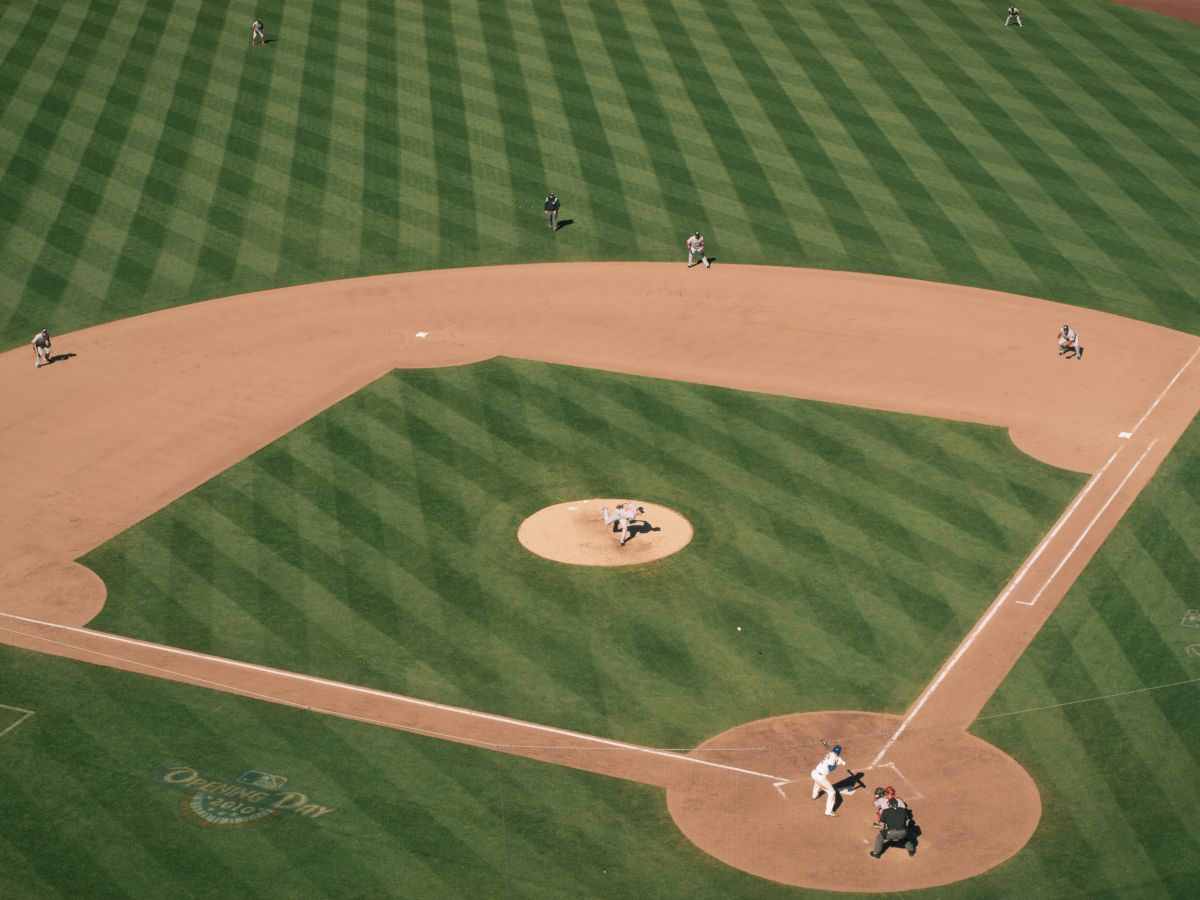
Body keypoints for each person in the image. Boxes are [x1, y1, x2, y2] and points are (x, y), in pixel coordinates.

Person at [810, 744, 846, 816]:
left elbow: (833, 758)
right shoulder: (833, 758)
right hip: (820, 777)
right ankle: (828, 812)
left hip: (814, 773)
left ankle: (814, 795)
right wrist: (838, 763)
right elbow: (830, 768)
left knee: (817, 781)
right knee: (832, 792)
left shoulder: (829, 754)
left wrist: (838, 760)